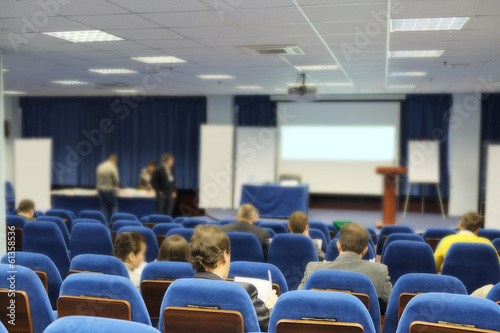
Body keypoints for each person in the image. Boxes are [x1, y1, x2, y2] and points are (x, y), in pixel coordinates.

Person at [189, 225, 277, 332]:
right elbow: (269, 325)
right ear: (224, 257)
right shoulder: (242, 292)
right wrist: (271, 307)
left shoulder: (176, 290)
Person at [297, 223, 392, 313]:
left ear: (338, 246)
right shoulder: (380, 272)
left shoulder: (313, 270)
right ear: (365, 250)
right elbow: (392, 307)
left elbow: (297, 302)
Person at [434, 212, 499, 272]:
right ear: (477, 229)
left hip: (451, 283)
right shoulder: (487, 244)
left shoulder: (446, 241)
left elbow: (434, 265)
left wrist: (445, 267)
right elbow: (498, 265)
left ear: (460, 224)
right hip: (481, 283)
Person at [96, 155, 119, 223]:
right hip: (109, 189)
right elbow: (116, 180)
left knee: (104, 206)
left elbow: (97, 178)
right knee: (114, 205)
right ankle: (113, 222)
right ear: (114, 161)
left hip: (100, 189)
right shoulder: (112, 167)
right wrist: (115, 186)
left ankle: (105, 222)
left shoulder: (100, 166)